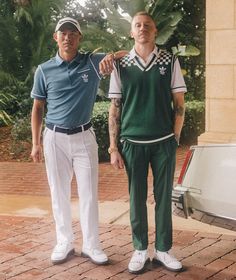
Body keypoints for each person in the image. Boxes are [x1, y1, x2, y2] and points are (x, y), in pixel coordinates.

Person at [30, 17, 126, 265]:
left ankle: (92, 245)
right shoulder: (44, 70)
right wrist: (36, 143)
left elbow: (130, 53)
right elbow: (38, 107)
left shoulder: (92, 63)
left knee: (89, 193)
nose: (67, 37)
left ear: (79, 38)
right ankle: (64, 242)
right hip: (54, 138)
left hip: (84, 136)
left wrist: (112, 55)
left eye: (73, 33)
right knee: (58, 192)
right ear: (56, 37)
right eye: (63, 33)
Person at [107, 11, 187, 274]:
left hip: (163, 141)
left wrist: (174, 138)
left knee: (163, 198)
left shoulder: (169, 59)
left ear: (155, 32)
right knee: (136, 198)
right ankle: (140, 249)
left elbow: (179, 105)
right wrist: (113, 147)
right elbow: (115, 108)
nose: (142, 29)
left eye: (148, 25)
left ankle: (163, 249)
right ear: (131, 32)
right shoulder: (120, 64)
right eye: (137, 25)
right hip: (132, 142)